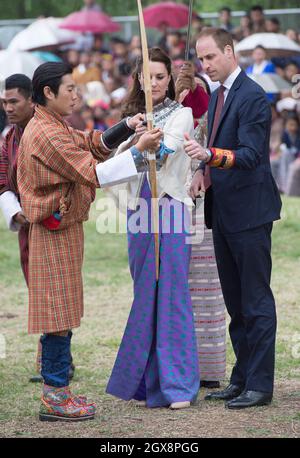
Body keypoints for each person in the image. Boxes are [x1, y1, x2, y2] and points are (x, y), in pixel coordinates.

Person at [17, 62, 162, 422]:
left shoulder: (52, 124)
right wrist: (137, 149)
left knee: (62, 311)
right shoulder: (45, 133)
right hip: (52, 231)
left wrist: (125, 128)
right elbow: (93, 171)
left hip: (62, 229)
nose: (76, 94)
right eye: (70, 88)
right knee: (56, 315)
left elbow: (88, 143)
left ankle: (58, 390)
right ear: (48, 93)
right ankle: (54, 395)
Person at [184, 28, 282, 409]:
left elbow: (251, 156)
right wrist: (200, 172)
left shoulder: (254, 96)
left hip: (251, 213)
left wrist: (209, 156)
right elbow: (212, 149)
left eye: (210, 57)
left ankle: (260, 385)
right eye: (201, 59)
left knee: (256, 301)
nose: (205, 65)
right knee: (236, 302)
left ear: (229, 51)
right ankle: (241, 378)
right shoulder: (217, 95)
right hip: (222, 212)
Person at [106, 47, 200, 409]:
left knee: (171, 291)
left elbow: (166, 153)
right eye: (149, 76)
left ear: (169, 80)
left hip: (171, 208)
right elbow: (114, 163)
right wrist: (133, 136)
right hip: (139, 212)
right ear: (139, 80)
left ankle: (177, 386)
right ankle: (146, 382)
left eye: (162, 76)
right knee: (144, 293)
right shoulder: (132, 118)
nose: (156, 82)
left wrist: (149, 142)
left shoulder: (182, 113)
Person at [175, 62, 226, 389]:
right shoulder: (166, 115)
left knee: (209, 290)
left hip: (206, 208)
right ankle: (181, 365)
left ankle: (210, 369)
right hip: (173, 206)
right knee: (181, 290)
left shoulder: (211, 118)